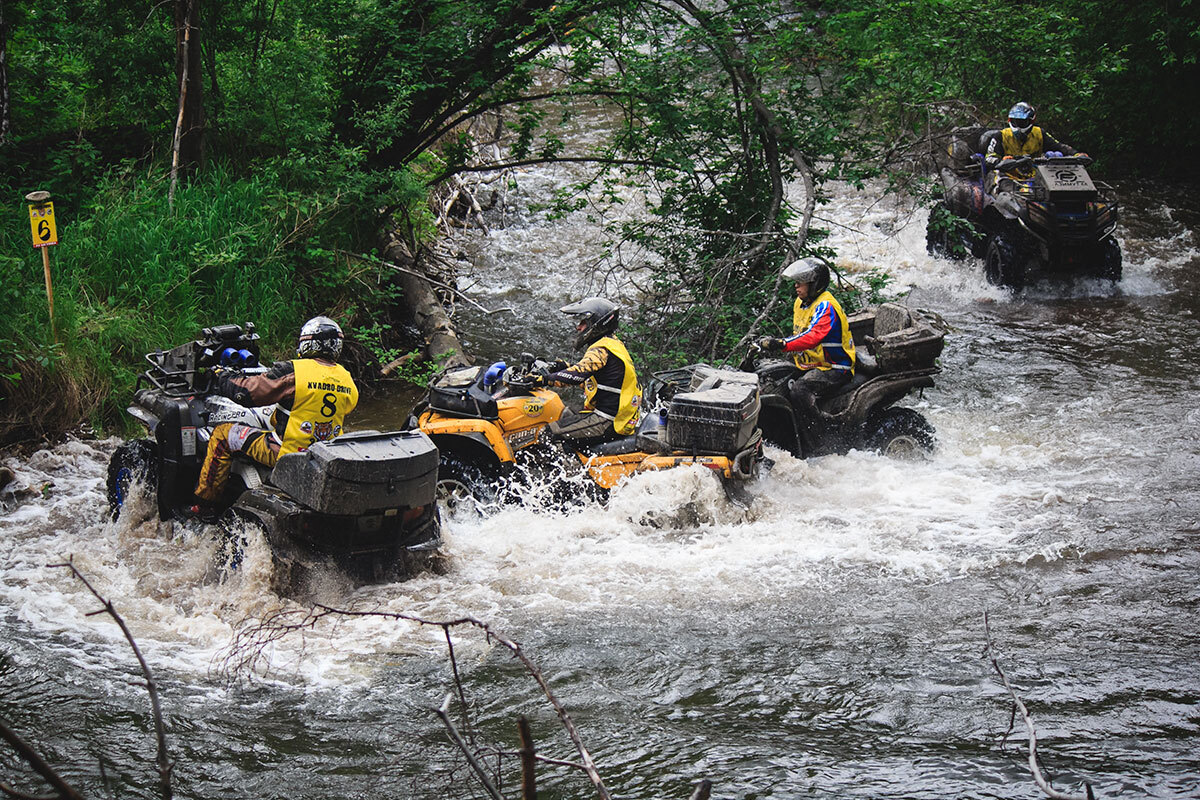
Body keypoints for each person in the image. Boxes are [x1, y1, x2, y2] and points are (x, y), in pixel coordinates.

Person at [192, 316, 358, 511]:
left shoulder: (295, 371)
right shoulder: (346, 379)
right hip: (324, 455)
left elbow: (247, 393)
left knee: (222, 435)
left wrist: (222, 376)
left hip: (286, 453)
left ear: (308, 342)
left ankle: (204, 504)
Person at [757, 258, 855, 448]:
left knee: (800, 390)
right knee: (773, 378)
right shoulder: (801, 303)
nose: (796, 287)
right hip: (809, 364)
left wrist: (781, 344)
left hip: (833, 367)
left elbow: (812, 336)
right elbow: (800, 334)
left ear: (814, 284)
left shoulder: (826, 306)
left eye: (800, 283)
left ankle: (818, 438)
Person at [528, 297, 642, 447]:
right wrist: (561, 367)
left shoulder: (601, 349)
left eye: (583, 323)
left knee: (547, 433)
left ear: (596, 323)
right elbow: (589, 376)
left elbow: (577, 375)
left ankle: (566, 470)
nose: (578, 327)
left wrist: (541, 380)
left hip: (607, 420)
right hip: (618, 419)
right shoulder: (612, 343)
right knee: (565, 415)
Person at [983, 101, 1083, 170]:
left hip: (1035, 174)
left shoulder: (1039, 133)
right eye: (1014, 122)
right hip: (1008, 174)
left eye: (1021, 122)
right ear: (1009, 120)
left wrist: (1076, 154)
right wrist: (1001, 161)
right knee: (1003, 187)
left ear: (1031, 121)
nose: (1018, 126)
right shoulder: (1000, 136)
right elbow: (989, 158)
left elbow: (1059, 146)